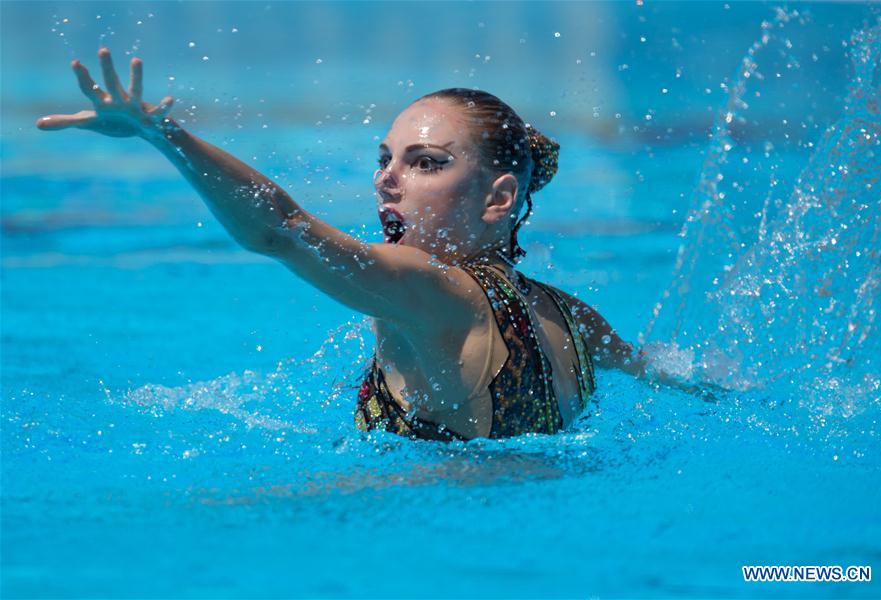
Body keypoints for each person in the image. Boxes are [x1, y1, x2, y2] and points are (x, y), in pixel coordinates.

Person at [37, 48, 651, 442]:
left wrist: (164, 135)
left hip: (436, 529)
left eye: (426, 164)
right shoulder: (568, 314)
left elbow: (281, 230)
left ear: (498, 198)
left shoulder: (433, 289)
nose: (387, 178)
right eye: (386, 159)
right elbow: (666, 373)